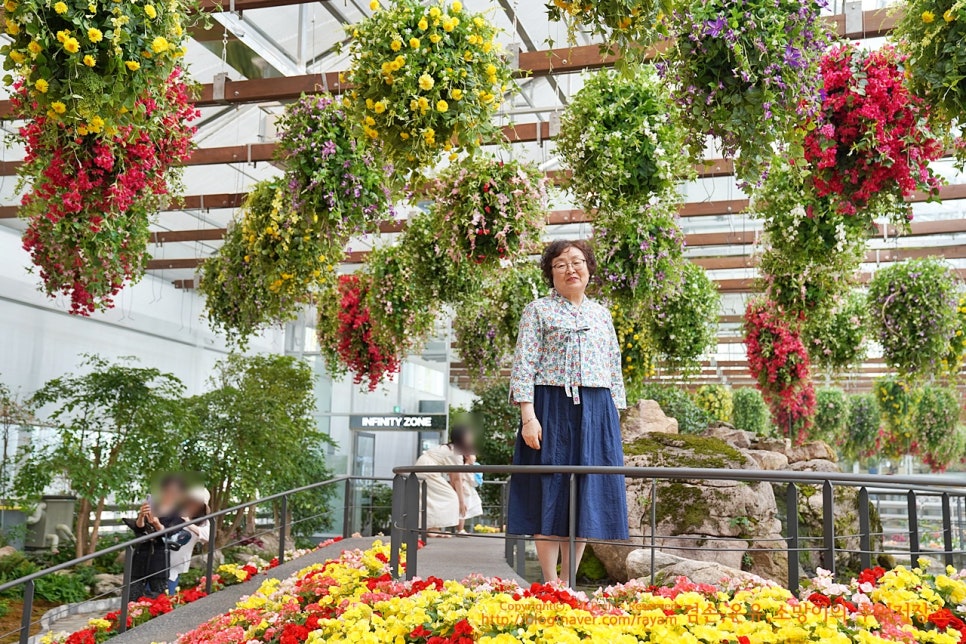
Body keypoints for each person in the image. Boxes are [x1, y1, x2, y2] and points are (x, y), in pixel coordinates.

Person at [507, 239, 629, 586]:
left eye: (577, 262)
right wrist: (528, 417)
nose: (570, 269)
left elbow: (613, 367)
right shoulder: (538, 310)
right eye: (561, 264)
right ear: (551, 274)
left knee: (585, 494)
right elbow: (524, 365)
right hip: (549, 407)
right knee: (549, 490)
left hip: (596, 408)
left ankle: (568, 582)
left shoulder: (602, 314)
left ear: (589, 269)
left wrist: (612, 421)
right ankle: (548, 582)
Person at [125, 475, 186, 599]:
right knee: (132, 597)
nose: (169, 494)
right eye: (167, 490)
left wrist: (157, 524)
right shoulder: (153, 506)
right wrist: (141, 516)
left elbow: (170, 536)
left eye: (174, 492)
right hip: (141, 556)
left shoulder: (179, 514)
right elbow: (139, 531)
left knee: (158, 599)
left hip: (159, 559)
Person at [414, 426, 475, 537]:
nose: (471, 438)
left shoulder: (451, 448)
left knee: (433, 499)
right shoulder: (456, 452)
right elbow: (457, 479)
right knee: (450, 497)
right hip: (428, 469)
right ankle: (432, 529)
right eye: (469, 436)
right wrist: (461, 502)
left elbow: (454, 478)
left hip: (423, 466)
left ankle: (432, 529)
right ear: (463, 437)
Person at [167, 487, 211, 595]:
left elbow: (207, 536)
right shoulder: (174, 514)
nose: (191, 504)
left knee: (167, 597)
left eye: (196, 502)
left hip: (174, 567)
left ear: (202, 507)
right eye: (190, 501)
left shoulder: (203, 522)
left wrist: (188, 523)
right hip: (157, 562)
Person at [456, 453, 483, 535]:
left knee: (463, 511)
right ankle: (460, 529)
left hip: (466, 490)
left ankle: (460, 529)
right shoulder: (467, 468)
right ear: (467, 456)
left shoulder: (466, 467)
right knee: (463, 511)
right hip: (466, 491)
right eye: (473, 455)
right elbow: (473, 481)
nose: (475, 457)